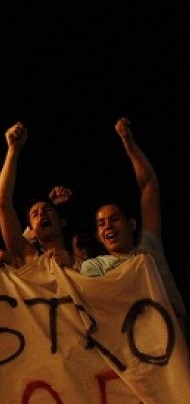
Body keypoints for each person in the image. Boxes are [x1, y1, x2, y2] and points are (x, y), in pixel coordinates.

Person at [81, 117, 187, 332]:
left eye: (114, 219)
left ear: (131, 224)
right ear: (99, 236)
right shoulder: (93, 267)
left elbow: (149, 186)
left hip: (179, 346)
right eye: (101, 224)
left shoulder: (149, 250)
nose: (108, 226)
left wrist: (128, 142)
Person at [0, 122, 76, 269]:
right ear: (31, 231)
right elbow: (3, 203)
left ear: (62, 221)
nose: (42, 214)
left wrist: (74, 264)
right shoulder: (28, 256)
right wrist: (13, 149)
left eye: (48, 209)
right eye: (34, 214)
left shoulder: (82, 260)